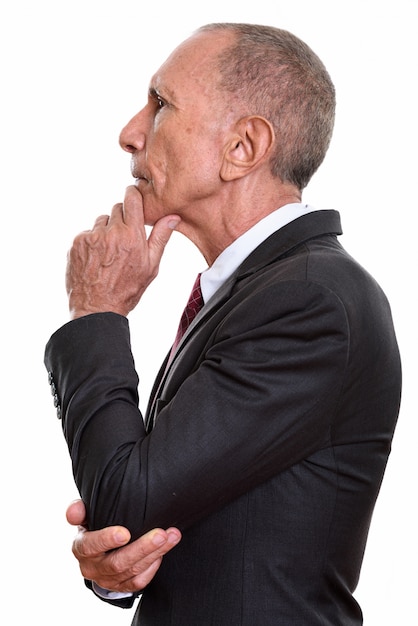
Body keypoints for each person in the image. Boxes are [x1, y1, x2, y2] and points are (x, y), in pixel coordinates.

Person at [44, 22, 402, 625]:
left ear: (244, 148)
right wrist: (113, 570)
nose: (130, 133)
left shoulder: (310, 300)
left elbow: (127, 497)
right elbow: (152, 517)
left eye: (161, 105)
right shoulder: (259, 293)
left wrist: (96, 311)